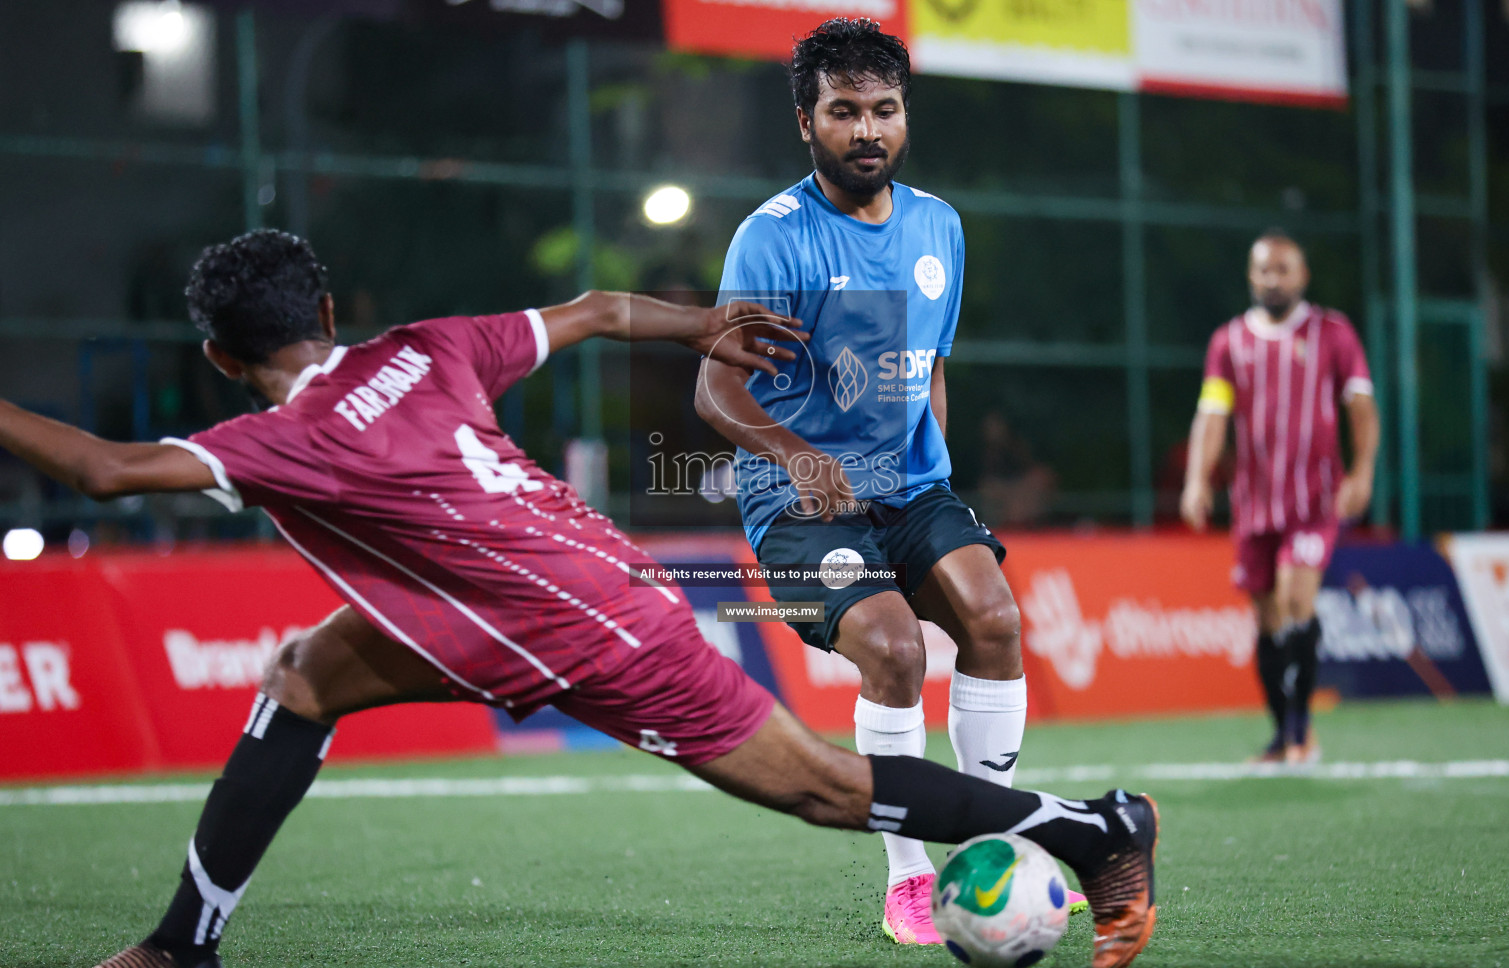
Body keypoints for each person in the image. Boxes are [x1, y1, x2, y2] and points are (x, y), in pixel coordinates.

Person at [0, 230, 1158, 968]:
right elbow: (601, 308)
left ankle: (1098, 827)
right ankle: (182, 945)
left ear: (218, 356)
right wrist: (702, 322)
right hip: (521, 593)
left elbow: (103, 469)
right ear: (334, 314)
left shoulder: (279, 437)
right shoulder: (427, 345)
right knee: (305, 673)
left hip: (591, 630)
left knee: (820, 788)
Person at [692, 18, 1081, 943]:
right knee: (898, 652)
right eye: (844, 111)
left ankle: (989, 840)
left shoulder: (938, 223)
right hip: (798, 503)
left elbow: (930, 368)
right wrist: (799, 459)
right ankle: (909, 873)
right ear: (806, 121)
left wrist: (932, 481)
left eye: (884, 110)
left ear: (904, 114)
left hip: (911, 487)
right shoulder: (772, 237)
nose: (867, 129)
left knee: (993, 617)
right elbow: (713, 386)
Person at [1180, 230, 1380, 764]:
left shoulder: (1333, 333)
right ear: (1252, 276)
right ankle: (1280, 733)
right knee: (1267, 617)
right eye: (1264, 270)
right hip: (1254, 503)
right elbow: (1213, 414)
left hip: (1315, 500)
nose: (1273, 279)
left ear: (1302, 276)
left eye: (1283, 269)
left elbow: (1360, 408)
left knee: (1296, 598)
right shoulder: (1229, 341)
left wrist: (1362, 473)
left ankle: (1302, 730)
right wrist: (1197, 479)